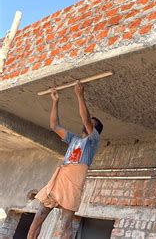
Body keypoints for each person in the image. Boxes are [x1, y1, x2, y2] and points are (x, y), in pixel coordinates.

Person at [28, 81, 103, 239]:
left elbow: (85, 119)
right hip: (59, 179)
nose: (88, 123)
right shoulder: (74, 139)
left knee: (65, 226)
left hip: (73, 183)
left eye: (92, 123)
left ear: (95, 129)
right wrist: (55, 101)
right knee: (38, 217)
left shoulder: (93, 141)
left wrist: (79, 95)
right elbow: (54, 125)